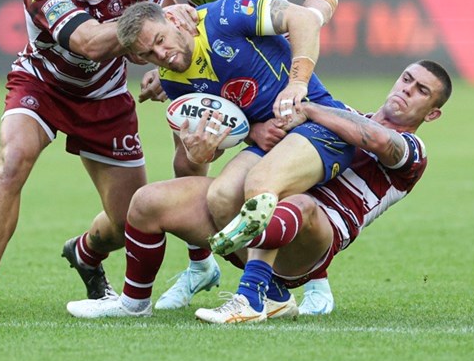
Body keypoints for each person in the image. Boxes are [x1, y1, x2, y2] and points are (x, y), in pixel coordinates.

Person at [63, 60, 452, 322]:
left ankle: (249, 299)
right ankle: (134, 304)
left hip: (309, 244)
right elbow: (259, 108)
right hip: (250, 216)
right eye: (407, 79)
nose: (407, 90)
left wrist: (311, 110)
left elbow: (379, 142)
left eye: (421, 91)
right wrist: (175, 83)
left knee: (297, 202)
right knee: (149, 201)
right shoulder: (341, 112)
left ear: (432, 114)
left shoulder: (414, 153)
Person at [126, 0, 342, 314]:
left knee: (274, 164)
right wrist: (162, 34)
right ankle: (202, 263)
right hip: (193, 59)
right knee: (191, 159)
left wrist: (296, 40)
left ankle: (310, 278)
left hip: (254, 49)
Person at [0, 0, 183, 316]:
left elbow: (175, 20)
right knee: (13, 159)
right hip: (44, 86)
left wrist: (167, 69)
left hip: (107, 98)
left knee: (128, 221)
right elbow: (90, 43)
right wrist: (144, 25)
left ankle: (86, 252)